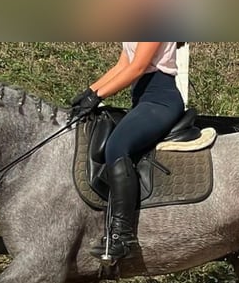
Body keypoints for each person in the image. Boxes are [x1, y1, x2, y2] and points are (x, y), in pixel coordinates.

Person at [70, 42, 186, 263]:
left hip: (160, 99)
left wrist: (98, 97)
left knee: (117, 146)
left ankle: (122, 235)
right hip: (143, 100)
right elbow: (123, 65)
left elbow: (138, 68)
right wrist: (89, 92)